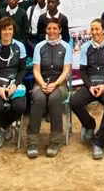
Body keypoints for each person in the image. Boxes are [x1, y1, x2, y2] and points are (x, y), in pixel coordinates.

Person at [70, 19, 104, 159]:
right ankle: (89, 124)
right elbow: (83, 71)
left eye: (97, 29)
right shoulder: (86, 47)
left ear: (103, 30)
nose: (94, 32)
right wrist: (90, 86)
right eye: (92, 29)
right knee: (74, 102)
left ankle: (99, 142)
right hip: (90, 84)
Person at [28, 19, 73, 158]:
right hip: (41, 83)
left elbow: (66, 70)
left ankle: (55, 141)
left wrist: (56, 84)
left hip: (60, 84)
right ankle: (32, 142)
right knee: (38, 98)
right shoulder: (39, 46)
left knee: (54, 98)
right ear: (46, 30)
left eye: (55, 28)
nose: (52, 31)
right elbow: (36, 70)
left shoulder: (66, 47)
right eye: (49, 28)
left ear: (60, 30)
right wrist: (42, 84)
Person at [0, 17, 27, 149]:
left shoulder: (19, 46)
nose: (7, 32)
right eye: (4, 29)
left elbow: (22, 70)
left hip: (15, 84)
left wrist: (15, 85)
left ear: (14, 31)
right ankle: (5, 126)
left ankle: (2, 126)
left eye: (10, 29)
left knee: (20, 107)